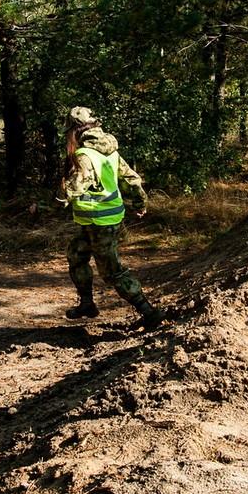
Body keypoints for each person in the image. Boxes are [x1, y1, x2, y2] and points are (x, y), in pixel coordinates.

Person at [60, 106, 165, 329]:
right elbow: (130, 178)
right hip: (94, 221)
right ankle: (87, 304)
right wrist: (140, 201)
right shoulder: (109, 151)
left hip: (101, 222)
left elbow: (75, 186)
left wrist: (52, 201)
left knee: (112, 271)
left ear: (75, 131)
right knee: (76, 255)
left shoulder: (84, 155)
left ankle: (149, 312)